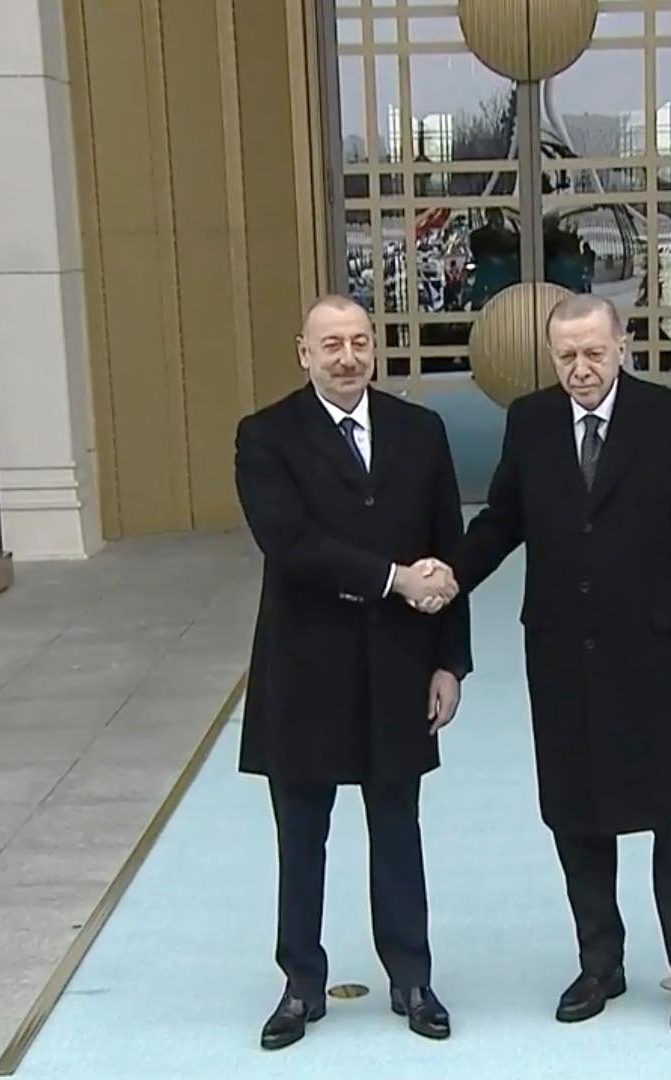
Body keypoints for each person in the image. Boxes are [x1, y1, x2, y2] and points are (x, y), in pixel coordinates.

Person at [427, 293, 671, 1035]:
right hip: (561, 651)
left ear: (622, 346)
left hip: (653, 651)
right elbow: (503, 519)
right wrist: (448, 575)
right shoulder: (530, 421)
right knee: (575, 814)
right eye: (566, 356)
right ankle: (600, 964)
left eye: (594, 352)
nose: (581, 368)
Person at [233, 294, 469, 1050]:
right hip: (305, 670)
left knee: (398, 829)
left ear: (375, 348)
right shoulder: (265, 436)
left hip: (400, 668)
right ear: (304, 353)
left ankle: (412, 978)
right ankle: (300, 984)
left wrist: (450, 661)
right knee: (301, 837)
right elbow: (290, 544)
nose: (347, 357)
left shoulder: (420, 432)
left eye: (359, 342)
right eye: (330, 344)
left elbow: (448, 547)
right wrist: (394, 579)